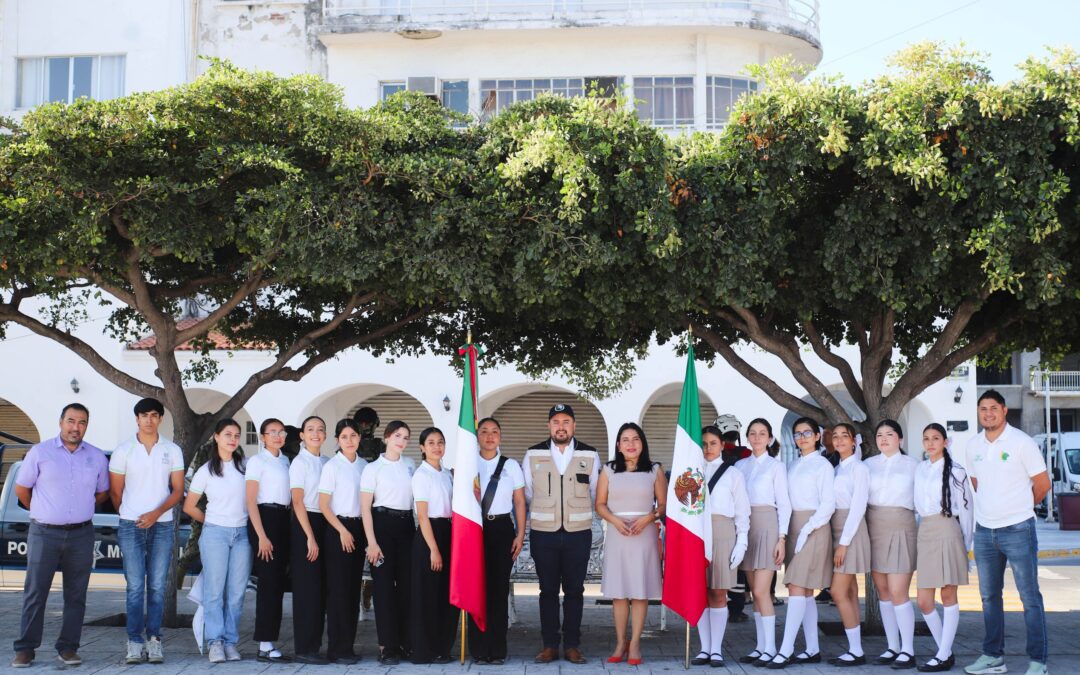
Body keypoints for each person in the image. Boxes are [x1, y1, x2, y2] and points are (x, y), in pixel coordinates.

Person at [11, 403, 109, 669]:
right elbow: (22, 489)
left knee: (76, 595)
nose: (75, 427)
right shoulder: (39, 453)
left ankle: (68, 648)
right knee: (35, 592)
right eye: (71, 421)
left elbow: (102, 493)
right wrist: (42, 509)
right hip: (44, 533)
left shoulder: (97, 457)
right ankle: (25, 649)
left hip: (81, 534)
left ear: (87, 425)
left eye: (82, 422)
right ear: (61, 422)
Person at [963, 390, 1050, 675]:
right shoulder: (973, 444)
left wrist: (1020, 507)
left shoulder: (1021, 443)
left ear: (1004, 411)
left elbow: (1042, 483)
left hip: (1018, 529)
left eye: (993, 408)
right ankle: (993, 657)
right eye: (983, 409)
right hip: (985, 531)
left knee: (1029, 598)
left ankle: (1038, 661)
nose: (988, 413)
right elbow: (978, 483)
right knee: (989, 597)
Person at [523, 403, 601, 665]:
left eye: (566, 421)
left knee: (575, 591)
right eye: (556, 421)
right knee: (546, 591)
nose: (561, 426)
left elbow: (595, 494)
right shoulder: (533, 453)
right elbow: (528, 494)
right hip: (543, 534)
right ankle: (549, 646)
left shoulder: (590, 455)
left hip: (578, 534)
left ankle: (572, 646)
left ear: (574, 425)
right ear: (549, 426)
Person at [109, 397, 185, 665]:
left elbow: (177, 490)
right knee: (135, 587)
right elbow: (115, 492)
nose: (149, 420)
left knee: (156, 586)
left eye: (154, 415)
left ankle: (154, 640)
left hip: (162, 525)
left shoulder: (172, 450)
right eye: (144, 415)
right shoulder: (123, 450)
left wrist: (155, 514)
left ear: (161, 419)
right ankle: (134, 641)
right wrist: (131, 514)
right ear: (137, 419)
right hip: (131, 525)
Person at [596, 422, 666, 666]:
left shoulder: (655, 470)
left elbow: (664, 505)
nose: (630, 444)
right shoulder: (608, 470)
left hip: (644, 535)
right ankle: (619, 641)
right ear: (618, 445)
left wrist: (648, 518)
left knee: (639, 592)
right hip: (618, 534)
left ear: (642, 442)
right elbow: (600, 504)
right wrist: (615, 521)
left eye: (635, 439)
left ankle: (635, 643)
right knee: (618, 593)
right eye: (625, 439)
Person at [183, 419, 251, 664]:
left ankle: (231, 642)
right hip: (215, 534)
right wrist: (212, 521)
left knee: (236, 592)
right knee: (214, 591)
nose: (232, 439)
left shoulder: (246, 466)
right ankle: (215, 642)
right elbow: (189, 506)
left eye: (236, 435)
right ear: (216, 437)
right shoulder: (206, 470)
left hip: (242, 534)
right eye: (227, 434)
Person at [770, 417, 835, 669]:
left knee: (796, 586)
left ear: (818, 436)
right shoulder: (793, 465)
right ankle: (812, 649)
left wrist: (808, 528)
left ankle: (785, 650)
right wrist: (784, 533)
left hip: (815, 527)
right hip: (795, 526)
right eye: (797, 434)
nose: (802, 437)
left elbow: (828, 504)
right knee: (805, 591)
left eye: (807, 433)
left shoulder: (823, 466)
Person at [915, 423, 974, 673]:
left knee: (948, 594)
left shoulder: (957, 471)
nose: (930, 443)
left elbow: (968, 510)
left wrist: (966, 545)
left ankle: (941, 655)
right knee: (924, 601)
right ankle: (945, 650)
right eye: (926, 438)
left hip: (949, 530)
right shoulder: (920, 469)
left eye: (936, 438)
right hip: (926, 531)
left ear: (945, 442)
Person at [468, 417, 527, 665]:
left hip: (502, 529)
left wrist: (520, 534)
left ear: (500, 436)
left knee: (498, 590)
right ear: (477, 436)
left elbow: (520, 502)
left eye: (494, 432)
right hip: (475, 529)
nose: (489, 436)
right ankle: (479, 649)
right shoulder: (469, 463)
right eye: (484, 431)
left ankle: (497, 649)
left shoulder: (511, 466)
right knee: (476, 590)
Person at [692, 424, 750, 668]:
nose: (708, 448)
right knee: (699, 593)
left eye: (713, 443)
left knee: (718, 592)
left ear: (722, 445)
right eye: (704, 443)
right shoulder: (691, 471)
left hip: (723, 531)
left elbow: (742, 511)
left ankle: (716, 649)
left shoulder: (733, 474)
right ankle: (704, 648)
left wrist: (742, 540)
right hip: (696, 533)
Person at [735, 418, 790, 667]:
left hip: (768, 525)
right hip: (745, 527)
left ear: (770, 438)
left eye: (762, 433)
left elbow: (784, 503)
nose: (757, 437)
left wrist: (782, 538)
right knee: (753, 594)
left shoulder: (776, 467)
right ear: (748, 437)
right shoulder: (739, 466)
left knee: (761, 591)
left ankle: (771, 648)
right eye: (753, 433)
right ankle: (760, 647)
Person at [865, 419, 920, 670]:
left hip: (901, 526)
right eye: (879, 435)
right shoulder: (867, 465)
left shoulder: (913, 466)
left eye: (889, 434)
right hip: (874, 526)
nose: (884, 438)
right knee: (883, 592)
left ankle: (908, 649)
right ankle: (892, 646)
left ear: (900, 438)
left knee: (899, 592)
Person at [362, 420, 417, 665]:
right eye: (397, 435)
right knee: (383, 588)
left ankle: (404, 642)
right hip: (381, 526)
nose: (401, 441)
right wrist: (371, 543)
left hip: (406, 527)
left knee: (406, 588)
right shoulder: (373, 468)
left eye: (405, 437)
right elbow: (365, 509)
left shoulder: (410, 465)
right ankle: (386, 646)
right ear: (386, 437)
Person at [318, 418, 369, 664]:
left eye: (354, 435)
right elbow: (324, 505)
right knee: (338, 591)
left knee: (351, 590)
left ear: (359, 438)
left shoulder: (365, 465)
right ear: (337, 440)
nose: (350, 440)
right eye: (345, 436)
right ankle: (336, 649)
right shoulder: (332, 466)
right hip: (339, 529)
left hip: (360, 528)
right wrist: (342, 531)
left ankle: (347, 646)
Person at [245, 418, 292, 663]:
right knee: (269, 584)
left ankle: (270, 639)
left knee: (278, 584)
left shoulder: (285, 460)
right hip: (265, 520)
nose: (277, 436)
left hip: (284, 519)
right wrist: (262, 536)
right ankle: (264, 644)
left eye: (281, 432)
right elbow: (251, 501)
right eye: (272, 432)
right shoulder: (257, 461)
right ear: (262, 437)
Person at [410, 427, 458, 664]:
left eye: (440, 442)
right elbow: (422, 515)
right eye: (431, 443)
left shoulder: (446, 474)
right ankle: (425, 650)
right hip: (430, 536)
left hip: (449, 532)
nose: (437, 446)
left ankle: (442, 647)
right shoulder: (422, 475)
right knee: (427, 596)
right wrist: (434, 550)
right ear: (422, 447)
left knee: (445, 596)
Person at [827, 423, 872, 667]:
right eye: (836, 436)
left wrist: (843, 543)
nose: (840, 440)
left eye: (845, 436)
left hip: (850, 530)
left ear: (854, 441)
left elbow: (858, 507)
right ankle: (857, 648)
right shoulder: (835, 467)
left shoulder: (859, 468)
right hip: (835, 526)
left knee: (837, 591)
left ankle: (855, 649)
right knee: (850, 591)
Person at [289, 415, 331, 665]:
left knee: (321, 589)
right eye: (311, 429)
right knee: (307, 590)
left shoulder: (327, 462)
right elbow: (297, 502)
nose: (316, 433)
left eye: (321, 429)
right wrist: (310, 537)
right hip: (307, 524)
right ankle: (304, 647)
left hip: (326, 521)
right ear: (302, 435)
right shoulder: (299, 463)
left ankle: (315, 644)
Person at [714, 414, 751, 622]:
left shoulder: (717, 453)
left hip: (728, 516)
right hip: (740, 514)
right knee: (737, 566)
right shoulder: (745, 454)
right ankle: (736, 608)